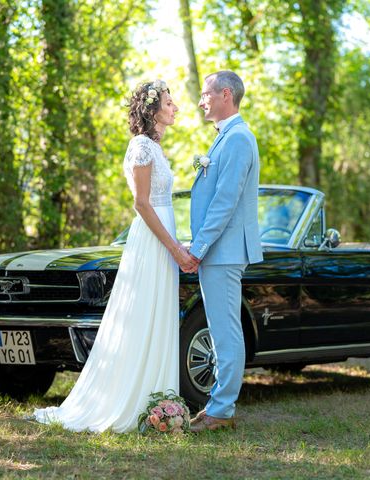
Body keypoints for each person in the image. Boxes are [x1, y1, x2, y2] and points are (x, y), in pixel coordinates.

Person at [31, 80, 195, 432]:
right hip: (152, 243)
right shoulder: (140, 147)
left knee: (158, 317)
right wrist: (175, 248)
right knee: (141, 316)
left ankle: (158, 401)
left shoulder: (155, 147)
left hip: (163, 239)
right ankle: (131, 402)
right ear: (152, 109)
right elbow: (141, 203)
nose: (175, 107)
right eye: (169, 102)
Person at [186, 70, 263, 433]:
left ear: (226, 95)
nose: (201, 101)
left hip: (224, 251)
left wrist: (198, 248)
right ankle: (218, 404)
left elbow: (225, 203)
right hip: (220, 251)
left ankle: (221, 410)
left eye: (206, 94)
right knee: (220, 331)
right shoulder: (227, 137)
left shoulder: (237, 139)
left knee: (227, 333)